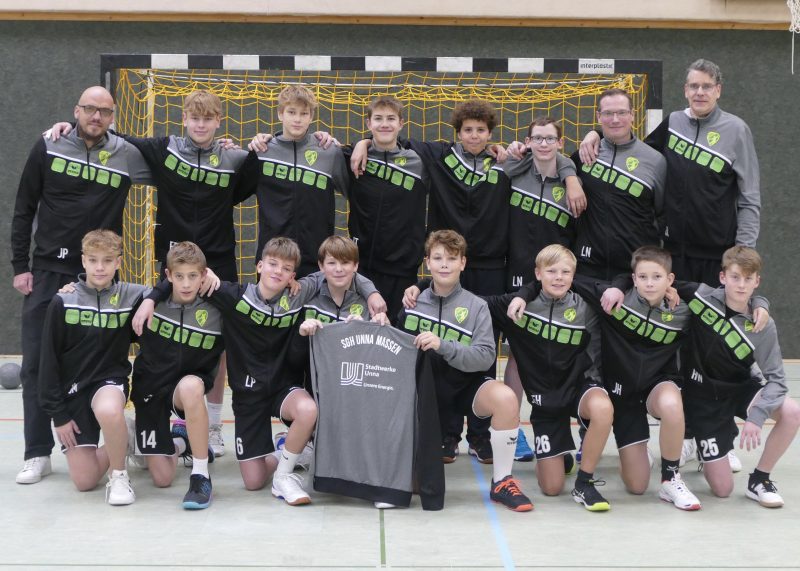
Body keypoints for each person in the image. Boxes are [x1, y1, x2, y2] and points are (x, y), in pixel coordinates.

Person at [354, 100, 583, 463]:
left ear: (491, 133)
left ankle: (479, 435)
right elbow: (391, 140)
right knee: (445, 341)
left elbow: (551, 155)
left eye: (481, 130)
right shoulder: (438, 157)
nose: (474, 136)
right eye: (468, 130)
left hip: (491, 268)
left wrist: (570, 176)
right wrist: (363, 143)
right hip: (447, 266)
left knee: (482, 348)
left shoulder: (506, 163)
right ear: (457, 133)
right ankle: (447, 434)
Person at [49, 89, 251, 459]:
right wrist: (71, 128)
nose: (201, 125)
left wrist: (264, 140)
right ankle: (168, 418)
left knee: (217, 341)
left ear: (219, 122)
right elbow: (117, 136)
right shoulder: (164, 150)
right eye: (194, 118)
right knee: (166, 335)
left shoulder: (233, 159)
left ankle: (213, 424)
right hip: (174, 259)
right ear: (184, 119)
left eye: (208, 119)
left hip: (219, 262)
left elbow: (254, 174)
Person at [580, 60, 761, 468]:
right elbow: (629, 143)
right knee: (682, 343)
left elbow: (750, 196)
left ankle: (719, 435)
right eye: (693, 86)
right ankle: (687, 433)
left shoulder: (736, 131)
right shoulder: (675, 123)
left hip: (717, 256)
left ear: (719, 89)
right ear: (685, 90)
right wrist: (593, 133)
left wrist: (742, 255)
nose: (700, 92)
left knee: (715, 344)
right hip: (674, 254)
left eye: (707, 86)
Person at [134, 237, 384, 505]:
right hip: (249, 395)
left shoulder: (298, 294)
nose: (278, 272)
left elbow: (338, 271)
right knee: (252, 482)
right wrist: (152, 298)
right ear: (259, 266)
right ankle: (289, 451)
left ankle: (284, 475)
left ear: (293, 277)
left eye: (286, 268)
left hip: (282, 389)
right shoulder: (233, 296)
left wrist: (372, 293)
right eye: (272, 264)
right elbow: (184, 276)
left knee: (308, 409)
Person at [11, 86, 151, 484]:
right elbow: (24, 207)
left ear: (113, 117)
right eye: (90, 109)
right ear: (76, 111)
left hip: (100, 276)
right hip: (48, 273)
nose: (96, 116)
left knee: (103, 365)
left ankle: (123, 435)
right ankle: (37, 452)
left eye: (104, 111)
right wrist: (21, 266)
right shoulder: (49, 145)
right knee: (35, 364)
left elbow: (170, 163)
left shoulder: (127, 154)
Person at [521, 246, 700, 510]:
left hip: (653, 389)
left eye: (657, 277)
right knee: (629, 485)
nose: (650, 283)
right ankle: (566, 456)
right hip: (618, 394)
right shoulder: (615, 300)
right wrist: (524, 294)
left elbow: (722, 297)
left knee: (672, 405)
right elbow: (562, 280)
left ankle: (670, 478)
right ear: (633, 278)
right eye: (643, 277)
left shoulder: (682, 311)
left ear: (670, 279)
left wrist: (758, 304)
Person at [398, 230, 533, 512]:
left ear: (463, 263)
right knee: (413, 487)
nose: (444, 264)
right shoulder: (411, 303)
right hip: (424, 395)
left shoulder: (477, 306)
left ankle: (502, 481)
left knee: (506, 398)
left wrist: (443, 345)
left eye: (451, 258)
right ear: (427, 263)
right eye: (438, 258)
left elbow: (485, 357)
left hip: (465, 388)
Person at [485, 245, 612, 511]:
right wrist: (422, 287)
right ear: (537, 274)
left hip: (580, 387)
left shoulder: (586, 307)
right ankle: (560, 454)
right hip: (546, 402)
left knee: (602, 408)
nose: (558, 277)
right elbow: (470, 302)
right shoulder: (517, 306)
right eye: (551, 271)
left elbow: (629, 291)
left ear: (574, 275)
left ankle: (584, 483)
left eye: (565, 272)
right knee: (552, 488)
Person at [675, 246, 800, 508]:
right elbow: (660, 280)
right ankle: (706, 445)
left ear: (757, 281)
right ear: (723, 277)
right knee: (722, 490)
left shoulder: (762, 324)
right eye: (735, 277)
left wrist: (757, 416)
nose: (741, 285)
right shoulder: (701, 297)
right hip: (703, 401)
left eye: (747, 278)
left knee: (792, 412)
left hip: (739, 389)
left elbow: (777, 381)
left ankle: (760, 479)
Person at [38, 230, 149, 505]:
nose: (100, 267)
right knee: (85, 481)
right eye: (93, 260)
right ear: (83, 261)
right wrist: (59, 416)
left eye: (108, 260)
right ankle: (126, 435)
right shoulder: (63, 301)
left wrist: (150, 300)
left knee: (109, 410)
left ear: (118, 262)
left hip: (108, 381)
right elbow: (48, 362)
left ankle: (119, 476)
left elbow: (168, 288)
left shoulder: (130, 295)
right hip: (73, 392)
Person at [129, 242, 223, 509]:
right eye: (179, 276)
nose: (186, 284)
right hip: (151, 387)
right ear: (168, 275)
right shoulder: (147, 302)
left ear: (204, 275)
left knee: (192, 386)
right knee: (162, 478)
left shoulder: (217, 306)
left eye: (193, 276)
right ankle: (183, 441)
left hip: (186, 389)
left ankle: (200, 475)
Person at [238, 85, 350, 278]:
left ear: (311, 116)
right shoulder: (262, 152)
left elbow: (357, 193)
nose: (297, 119)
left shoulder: (329, 152)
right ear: (280, 114)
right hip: (274, 261)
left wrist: (363, 143)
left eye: (303, 113)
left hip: (316, 260)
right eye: (291, 112)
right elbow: (230, 193)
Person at [344, 95, 429, 323]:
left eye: (391, 118)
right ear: (368, 123)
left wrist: (495, 148)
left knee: (396, 335)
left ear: (401, 124)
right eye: (378, 118)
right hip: (361, 268)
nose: (384, 124)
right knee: (360, 334)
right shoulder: (352, 158)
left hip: (402, 270)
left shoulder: (420, 161)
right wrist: (363, 143)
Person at [570, 89, 666, 281]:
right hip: (587, 267)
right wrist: (570, 178)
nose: (615, 119)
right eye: (608, 113)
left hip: (634, 269)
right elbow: (556, 163)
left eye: (622, 112)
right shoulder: (585, 154)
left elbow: (662, 214)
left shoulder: (656, 161)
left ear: (632, 115)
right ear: (598, 116)